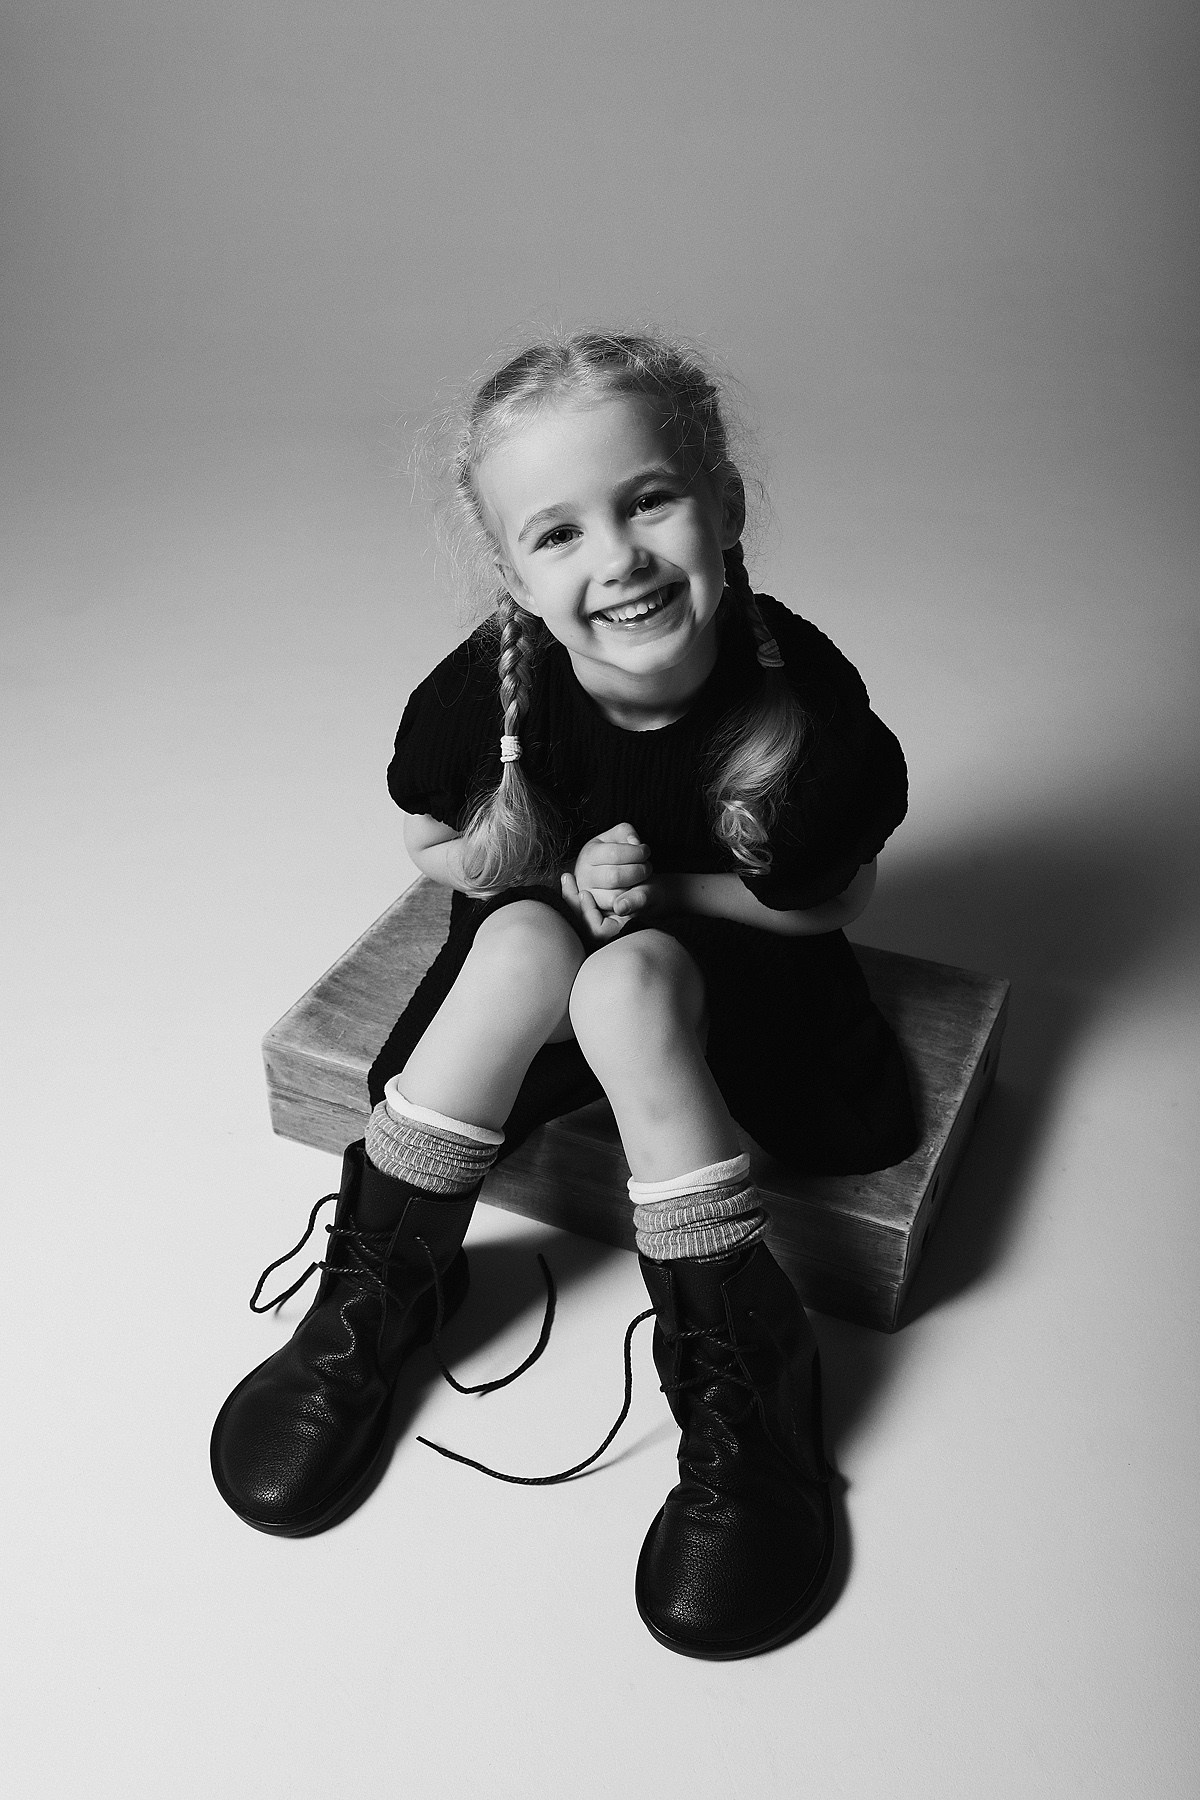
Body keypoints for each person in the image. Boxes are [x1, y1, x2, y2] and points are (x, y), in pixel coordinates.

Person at [210, 331, 917, 1660]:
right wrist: (544, 873)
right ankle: (382, 1288)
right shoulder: (496, 684)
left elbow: (835, 900)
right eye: (560, 533)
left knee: (630, 986)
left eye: (649, 501)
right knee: (524, 952)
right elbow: (431, 846)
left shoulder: (797, 699)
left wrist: (664, 896)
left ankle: (746, 1377)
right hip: (550, 932)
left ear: (725, 503)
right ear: (512, 572)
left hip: (742, 982)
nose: (620, 559)